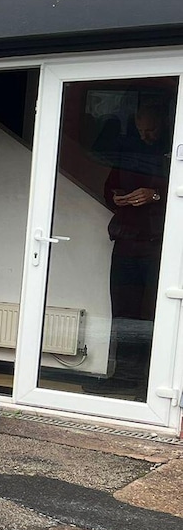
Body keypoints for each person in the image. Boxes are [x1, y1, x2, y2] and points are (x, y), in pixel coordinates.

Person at [99, 98, 171, 392]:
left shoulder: (172, 152)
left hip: (158, 246)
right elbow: (108, 188)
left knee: (155, 313)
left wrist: (154, 195)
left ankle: (152, 380)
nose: (146, 136)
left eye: (151, 130)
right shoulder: (128, 152)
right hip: (126, 241)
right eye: (141, 131)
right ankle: (123, 377)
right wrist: (115, 198)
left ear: (163, 125)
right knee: (124, 313)